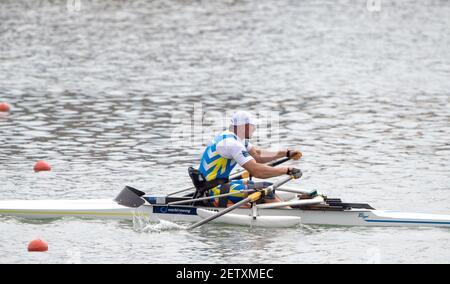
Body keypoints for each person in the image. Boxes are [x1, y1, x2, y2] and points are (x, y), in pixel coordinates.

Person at [189, 111, 302, 207]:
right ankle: (288, 213)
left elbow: (258, 155)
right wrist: (287, 170)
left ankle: (281, 208)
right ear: (244, 126)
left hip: (218, 185)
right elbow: (257, 171)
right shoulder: (231, 143)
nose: (254, 128)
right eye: (253, 126)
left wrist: (286, 153)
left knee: (266, 187)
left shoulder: (232, 137)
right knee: (265, 189)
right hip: (214, 191)